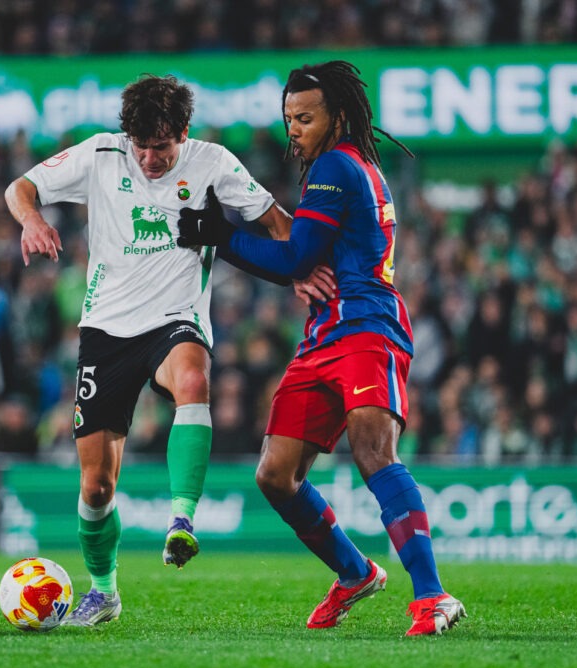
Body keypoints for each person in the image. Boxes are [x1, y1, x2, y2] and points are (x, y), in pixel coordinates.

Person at [6, 74, 323, 627]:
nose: (150, 159)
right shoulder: (102, 153)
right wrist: (32, 218)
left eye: (161, 147)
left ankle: (182, 520)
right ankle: (104, 592)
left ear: (183, 132)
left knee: (194, 380)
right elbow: (20, 188)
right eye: (141, 147)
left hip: (176, 319)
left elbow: (278, 225)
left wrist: (304, 267)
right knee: (96, 487)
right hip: (105, 331)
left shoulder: (213, 163)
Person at [178, 61, 465, 637]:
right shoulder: (352, 167)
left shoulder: (337, 165)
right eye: (289, 118)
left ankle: (433, 595)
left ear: (337, 117)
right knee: (275, 474)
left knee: (374, 452)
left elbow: (297, 258)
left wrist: (218, 235)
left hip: (366, 327)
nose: (294, 129)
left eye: (305, 118)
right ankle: (355, 573)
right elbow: (305, 256)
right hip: (324, 335)